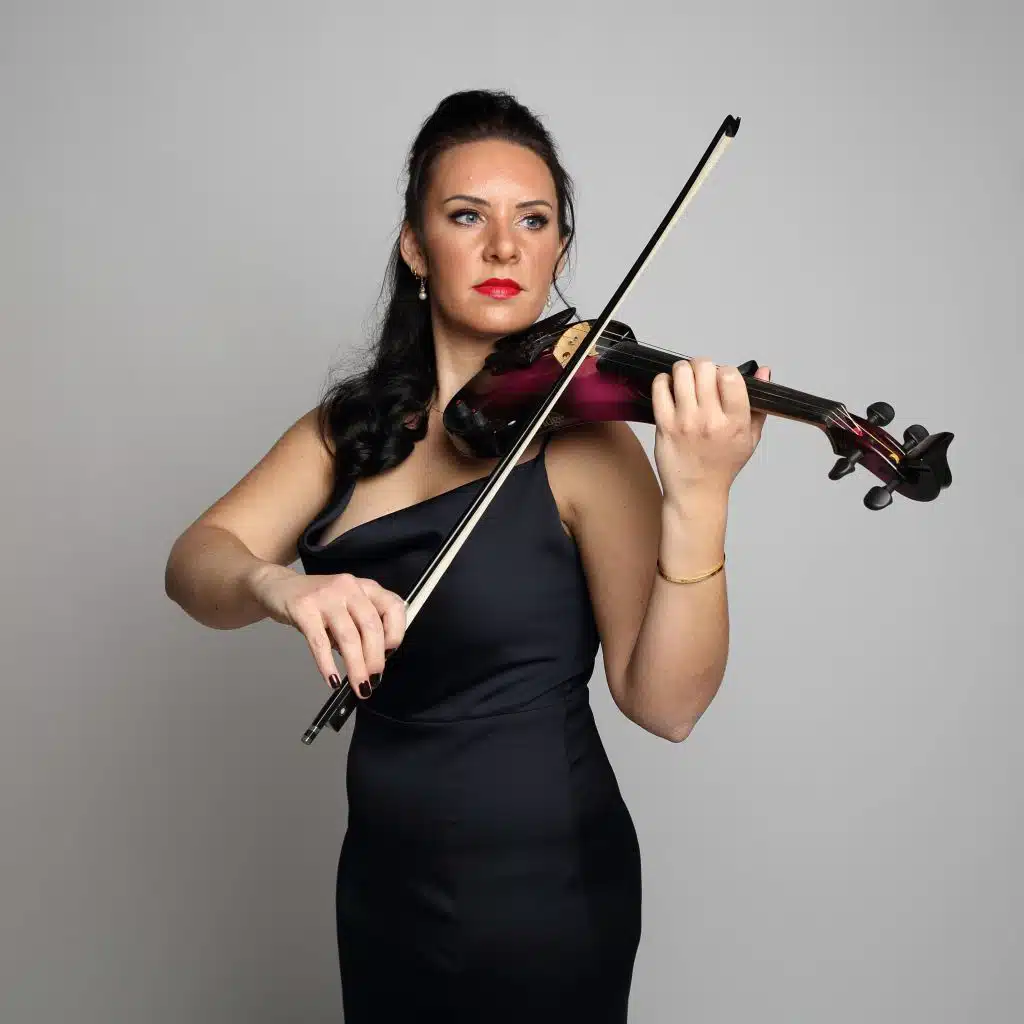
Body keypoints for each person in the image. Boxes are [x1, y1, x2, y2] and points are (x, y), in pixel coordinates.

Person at [164, 89, 770, 1022]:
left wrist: (700, 496)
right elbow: (195, 565)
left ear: (559, 248)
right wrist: (276, 584)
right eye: (465, 216)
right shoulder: (347, 432)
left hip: (548, 894)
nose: (503, 249)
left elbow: (667, 706)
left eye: (533, 221)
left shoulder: (585, 446)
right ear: (415, 245)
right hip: (383, 888)